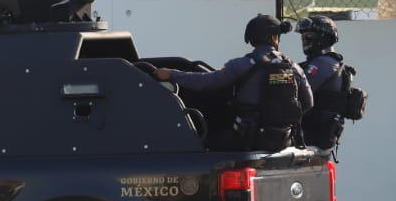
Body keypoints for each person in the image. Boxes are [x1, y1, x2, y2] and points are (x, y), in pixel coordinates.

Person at [155, 14, 312, 151]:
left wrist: (172, 74)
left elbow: (206, 81)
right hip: (284, 140)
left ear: (251, 39)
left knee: (204, 143)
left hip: (247, 139)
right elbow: (308, 103)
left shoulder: (241, 64)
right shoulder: (293, 66)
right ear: (273, 38)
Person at [296, 15, 362, 150]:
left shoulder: (323, 63)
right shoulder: (329, 62)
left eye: (308, 36)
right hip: (319, 133)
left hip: (312, 133)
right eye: (303, 37)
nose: (304, 40)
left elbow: (296, 92)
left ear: (323, 38)